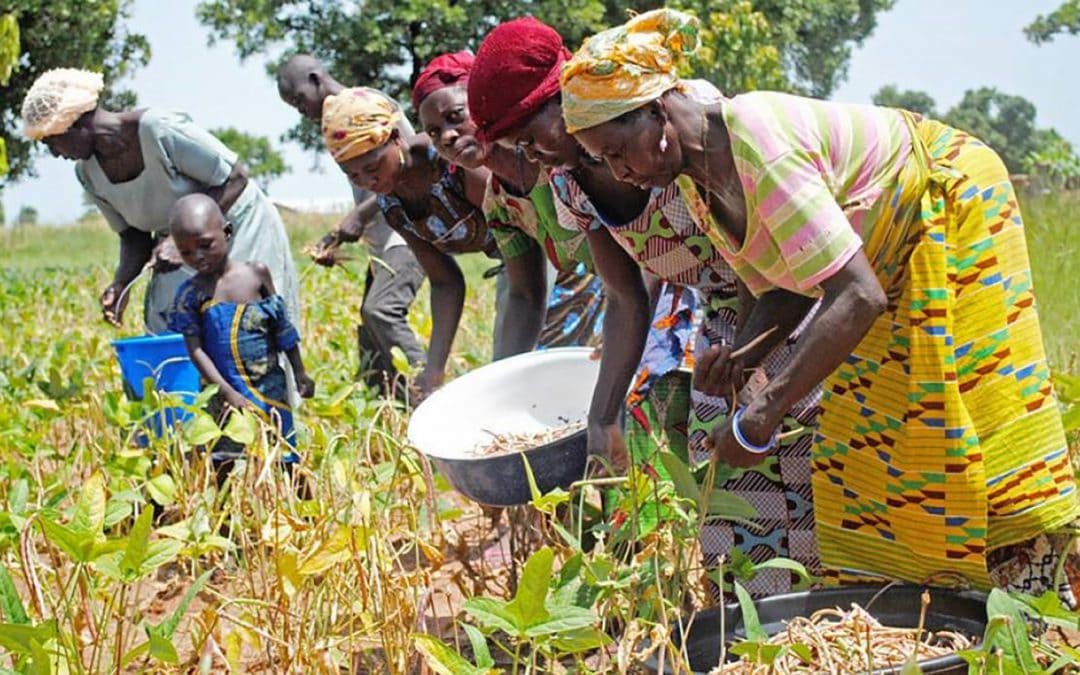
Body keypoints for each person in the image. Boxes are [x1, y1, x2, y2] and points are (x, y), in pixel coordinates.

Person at [563, 8, 1080, 600]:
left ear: (656, 110)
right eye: (603, 161)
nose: (619, 173)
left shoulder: (756, 141)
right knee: (877, 435)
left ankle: (1038, 599)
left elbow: (857, 295)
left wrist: (760, 420)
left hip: (952, 204)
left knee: (974, 412)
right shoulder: (693, 181)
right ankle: (935, 599)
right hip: (877, 260)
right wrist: (742, 358)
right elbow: (781, 286)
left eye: (615, 150)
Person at [468, 16, 822, 595]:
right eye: (519, 149)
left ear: (563, 95)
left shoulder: (671, 131)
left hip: (792, 305)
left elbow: (766, 265)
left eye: (534, 137)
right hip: (725, 323)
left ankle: (831, 616)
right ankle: (757, 625)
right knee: (727, 483)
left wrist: (751, 363)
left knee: (803, 460)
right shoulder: (570, 185)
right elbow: (624, 295)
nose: (534, 157)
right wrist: (601, 416)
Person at [21, 68, 300, 335]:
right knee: (169, 321)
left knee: (245, 325)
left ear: (77, 123)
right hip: (177, 244)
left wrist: (180, 243)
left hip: (237, 224)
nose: (54, 154)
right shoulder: (88, 174)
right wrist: (122, 284)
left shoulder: (159, 130)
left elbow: (235, 178)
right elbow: (133, 236)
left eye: (52, 142)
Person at [320, 87, 550, 399]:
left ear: (395, 139)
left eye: (373, 167)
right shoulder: (392, 205)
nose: (369, 182)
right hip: (516, 265)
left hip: (550, 248)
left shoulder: (452, 160)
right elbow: (446, 282)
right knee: (511, 377)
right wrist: (433, 369)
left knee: (529, 373)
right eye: (354, 176)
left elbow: (530, 231)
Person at [413, 50, 604, 350]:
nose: (447, 137)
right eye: (434, 133)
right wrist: (506, 376)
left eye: (455, 117)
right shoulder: (499, 205)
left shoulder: (554, 159)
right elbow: (524, 296)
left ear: (481, 106)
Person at [277, 55, 426, 395]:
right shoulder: (336, 122)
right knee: (370, 332)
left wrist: (360, 215)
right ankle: (386, 409)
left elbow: (413, 163)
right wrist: (334, 237)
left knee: (382, 312)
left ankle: (428, 388)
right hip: (383, 241)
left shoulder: (365, 103)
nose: (301, 110)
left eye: (300, 99)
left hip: (405, 235)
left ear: (316, 79)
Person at [167, 194, 315, 481]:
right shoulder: (190, 294)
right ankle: (224, 523)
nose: (197, 256)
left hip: (269, 387)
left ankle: (305, 516)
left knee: (285, 454)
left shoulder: (256, 274)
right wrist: (226, 392)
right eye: (186, 252)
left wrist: (299, 371)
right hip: (223, 390)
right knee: (223, 458)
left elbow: (282, 329)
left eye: (205, 245)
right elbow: (195, 350)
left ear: (227, 232)